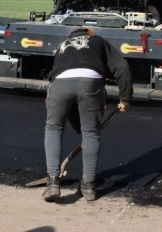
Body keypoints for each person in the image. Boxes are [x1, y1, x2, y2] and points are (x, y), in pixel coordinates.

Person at [42, 27, 132, 203]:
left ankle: (53, 181)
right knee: (91, 133)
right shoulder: (98, 41)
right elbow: (122, 67)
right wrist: (125, 99)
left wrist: (76, 125)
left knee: (53, 128)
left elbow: (59, 81)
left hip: (58, 85)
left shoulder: (62, 45)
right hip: (90, 82)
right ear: (90, 35)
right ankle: (89, 186)